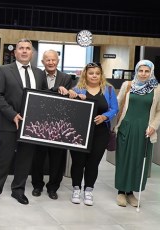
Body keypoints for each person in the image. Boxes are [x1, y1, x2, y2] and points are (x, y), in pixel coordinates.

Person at [0, 38, 44, 205]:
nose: (24, 51)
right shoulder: (4, 70)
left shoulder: (39, 73)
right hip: (8, 122)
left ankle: (18, 190)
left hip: (31, 125)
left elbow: (43, 97)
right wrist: (12, 114)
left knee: (25, 159)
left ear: (32, 53)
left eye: (28, 48)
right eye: (21, 48)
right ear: (15, 52)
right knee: (3, 158)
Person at [114, 60, 160, 207]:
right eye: (140, 71)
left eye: (146, 71)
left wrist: (154, 126)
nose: (143, 74)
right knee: (124, 159)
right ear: (136, 71)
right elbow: (118, 104)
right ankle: (121, 192)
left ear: (151, 72)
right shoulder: (128, 85)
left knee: (138, 161)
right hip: (126, 127)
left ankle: (131, 193)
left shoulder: (157, 89)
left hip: (145, 130)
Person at [68, 62, 118, 206]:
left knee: (93, 162)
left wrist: (105, 116)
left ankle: (88, 190)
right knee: (78, 162)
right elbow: (71, 109)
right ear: (85, 74)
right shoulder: (78, 89)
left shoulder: (108, 90)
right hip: (79, 132)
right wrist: (74, 98)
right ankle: (76, 189)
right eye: (91, 73)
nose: (94, 75)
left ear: (101, 74)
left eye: (97, 73)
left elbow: (115, 108)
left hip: (101, 132)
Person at [31, 49, 73, 199]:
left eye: (53, 60)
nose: (51, 62)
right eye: (47, 60)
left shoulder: (66, 77)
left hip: (59, 125)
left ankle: (53, 187)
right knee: (38, 157)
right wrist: (55, 89)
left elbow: (67, 98)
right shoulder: (36, 75)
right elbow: (39, 94)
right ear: (43, 62)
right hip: (40, 123)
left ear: (58, 61)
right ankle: (37, 185)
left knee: (57, 158)